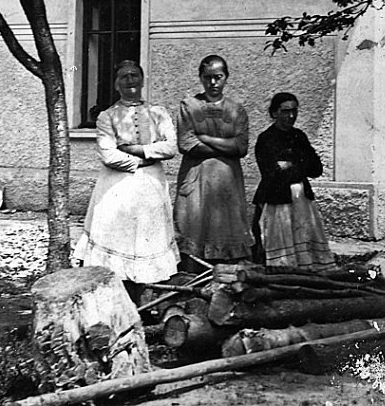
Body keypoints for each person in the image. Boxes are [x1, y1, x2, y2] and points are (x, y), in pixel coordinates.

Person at [73, 61, 180, 302]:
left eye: (134, 75)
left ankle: (146, 301)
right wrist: (147, 157)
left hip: (151, 185)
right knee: (118, 239)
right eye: (124, 76)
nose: (130, 80)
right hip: (117, 187)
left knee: (146, 239)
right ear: (116, 84)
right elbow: (108, 155)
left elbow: (171, 147)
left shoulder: (158, 113)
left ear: (142, 80)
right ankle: (115, 300)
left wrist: (135, 149)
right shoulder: (107, 116)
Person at [173, 55, 253, 269]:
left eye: (218, 77)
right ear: (200, 77)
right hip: (196, 178)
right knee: (193, 225)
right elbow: (187, 144)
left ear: (226, 77)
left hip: (228, 181)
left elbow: (241, 147)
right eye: (207, 77)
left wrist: (206, 138)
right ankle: (193, 276)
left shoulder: (236, 109)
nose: (213, 82)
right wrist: (227, 146)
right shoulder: (189, 106)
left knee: (227, 228)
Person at [252, 92, 335, 271]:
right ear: (274, 113)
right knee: (279, 242)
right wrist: (300, 163)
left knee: (303, 239)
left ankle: (305, 272)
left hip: (302, 200)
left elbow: (316, 169)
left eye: (294, 111)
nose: (291, 116)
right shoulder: (266, 139)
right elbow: (272, 173)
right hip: (277, 200)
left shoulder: (299, 136)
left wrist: (289, 165)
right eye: (285, 111)